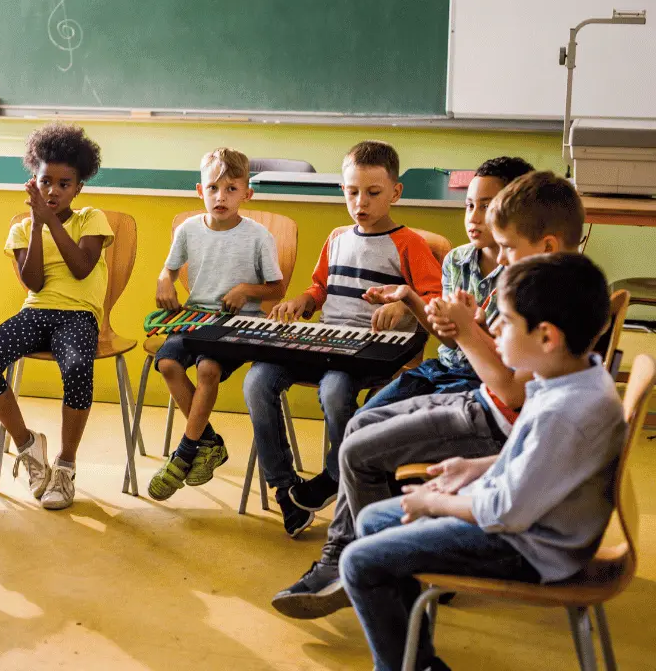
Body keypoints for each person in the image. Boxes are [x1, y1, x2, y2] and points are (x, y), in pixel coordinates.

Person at [273, 169, 586, 618]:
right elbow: (471, 350)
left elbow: (507, 387)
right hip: (468, 390)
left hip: (486, 406)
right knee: (361, 426)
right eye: (471, 205)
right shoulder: (508, 276)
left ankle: (360, 561)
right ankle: (369, 555)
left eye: (508, 243)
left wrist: (468, 331)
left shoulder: (545, 298)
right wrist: (448, 321)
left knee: (361, 448)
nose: (480, 223)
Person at [340, 253, 623, 671]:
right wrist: (476, 467)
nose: (492, 329)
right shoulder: (573, 376)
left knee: (358, 560)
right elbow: (541, 460)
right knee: (372, 522)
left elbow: (504, 511)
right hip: (537, 523)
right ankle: (416, 662)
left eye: (504, 321)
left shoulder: (563, 411)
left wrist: (435, 504)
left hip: (532, 547)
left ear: (547, 337)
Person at [243, 141, 443, 536]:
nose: (360, 202)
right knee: (258, 379)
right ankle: (286, 489)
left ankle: (341, 478)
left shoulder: (409, 244)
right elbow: (321, 288)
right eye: (352, 192)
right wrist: (302, 299)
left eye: (373, 193)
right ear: (343, 191)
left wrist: (404, 306)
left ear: (395, 193)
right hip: (324, 341)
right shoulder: (336, 238)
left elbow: (433, 298)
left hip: (369, 352)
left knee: (335, 392)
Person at [0, 123, 112, 510]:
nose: (53, 190)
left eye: (64, 184)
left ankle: (65, 467)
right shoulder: (21, 228)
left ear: (78, 187)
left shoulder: (91, 219)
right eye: (46, 181)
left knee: (79, 367)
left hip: (78, 316)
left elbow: (82, 267)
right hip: (36, 314)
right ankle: (29, 447)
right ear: (34, 180)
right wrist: (36, 224)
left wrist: (50, 222)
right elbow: (33, 281)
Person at [147, 148, 285, 500]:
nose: (220, 197)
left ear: (247, 194)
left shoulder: (258, 237)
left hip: (240, 324)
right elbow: (170, 268)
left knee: (208, 369)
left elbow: (277, 288)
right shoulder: (189, 229)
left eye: (231, 189)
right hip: (196, 318)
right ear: (200, 190)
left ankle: (185, 453)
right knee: (166, 362)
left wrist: (246, 291)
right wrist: (165, 279)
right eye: (213, 188)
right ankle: (209, 442)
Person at [358, 157, 534, 409]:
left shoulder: (527, 273)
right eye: (469, 205)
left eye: (486, 207)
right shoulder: (456, 259)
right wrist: (408, 296)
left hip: (484, 383)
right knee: (366, 416)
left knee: (405, 431)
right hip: (441, 370)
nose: (473, 217)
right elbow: (451, 340)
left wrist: (475, 327)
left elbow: (510, 368)